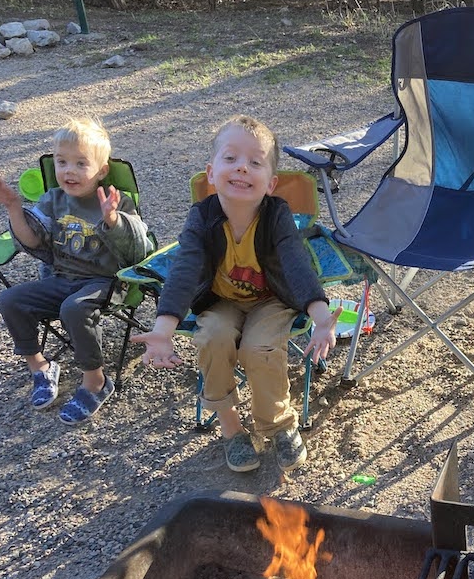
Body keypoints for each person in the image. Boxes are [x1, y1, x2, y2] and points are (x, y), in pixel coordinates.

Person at [132, 114, 341, 474]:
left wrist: (322, 317)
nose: (242, 168)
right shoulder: (202, 217)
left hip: (272, 300)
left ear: (270, 182)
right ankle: (232, 429)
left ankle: (278, 424)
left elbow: (295, 263)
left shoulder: (276, 215)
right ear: (211, 172)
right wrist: (164, 328)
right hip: (221, 301)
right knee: (212, 338)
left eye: (255, 162)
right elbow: (185, 269)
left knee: (258, 347)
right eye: (230, 159)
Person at [0, 117, 153, 425]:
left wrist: (113, 220)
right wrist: (14, 207)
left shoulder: (115, 200)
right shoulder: (53, 199)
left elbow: (137, 248)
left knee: (73, 308)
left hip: (105, 282)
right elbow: (32, 240)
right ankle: (41, 367)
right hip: (62, 278)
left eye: (80, 163)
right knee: (10, 299)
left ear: (102, 171)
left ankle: (96, 383)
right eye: (62, 162)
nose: (69, 171)